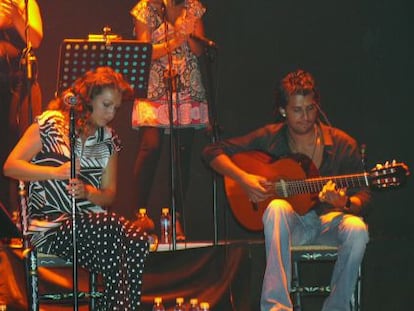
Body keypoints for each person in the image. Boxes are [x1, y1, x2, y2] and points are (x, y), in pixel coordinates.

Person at [202, 69, 370, 311]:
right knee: (277, 207)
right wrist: (245, 179)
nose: (306, 116)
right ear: (283, 111)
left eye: (310, 109)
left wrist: (343, 203)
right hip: (293, 226)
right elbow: (211, 152)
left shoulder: (343, 144)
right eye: (297, 110)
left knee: (358, 230)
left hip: (328, 223)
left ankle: (337, 307)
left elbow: (366, 196)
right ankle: (277, 307)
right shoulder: (270, 138)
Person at [3, 67, 149, 310]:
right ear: (88, 99)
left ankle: (116, 307)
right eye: (106, 104)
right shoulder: (51, 123)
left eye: (116, 108)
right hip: (52, 227)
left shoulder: (108, 139)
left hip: (93, 228)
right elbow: (10, 166)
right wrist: (55, 172)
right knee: (113, 232)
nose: (111, 113)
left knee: (138, 239)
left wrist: (88, 192)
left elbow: (109, 194)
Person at [129, 0, 210, 239]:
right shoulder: (145, 8)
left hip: (185, 85)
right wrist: (176, 38)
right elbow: (145, 53)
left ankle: (176, 218)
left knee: (180, 155)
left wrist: (184, 24)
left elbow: (198, 49)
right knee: (150, 147)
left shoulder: (192, 6)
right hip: (155, 87)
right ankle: (139, 214)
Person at [0, 0, 43, 214]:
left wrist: (16, 16)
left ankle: (24, 214)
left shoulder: (26, 3)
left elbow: (35, 40)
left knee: (22, 145)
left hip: (20, 84)